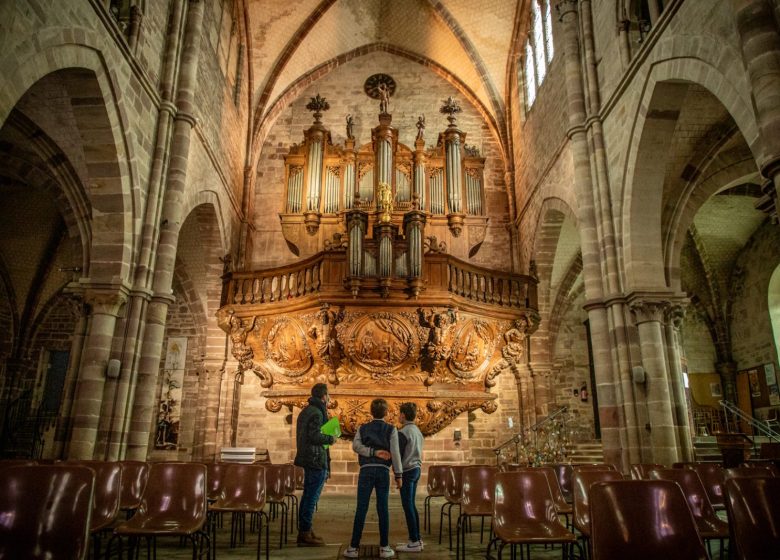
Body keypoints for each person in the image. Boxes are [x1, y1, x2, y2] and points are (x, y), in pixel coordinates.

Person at [343, 399, 403, 559]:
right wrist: (399, 475)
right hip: (383, 472)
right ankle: (384, 547)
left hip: (366, 471)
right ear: (386, 413)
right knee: (383, 508)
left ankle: (353, 547)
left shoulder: (363, 428)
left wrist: (371, 452)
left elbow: (355, 446)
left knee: (361, 508)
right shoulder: (391, 429)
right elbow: (395, 454)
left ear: (371, 412)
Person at [294, 383, 337, 546]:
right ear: (324, 396)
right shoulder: (317, 412)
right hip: (315, 459)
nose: (329, 398)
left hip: (309, 458)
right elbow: (314, 436)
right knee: (311, 498)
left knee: (308, 497)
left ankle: (306, 530)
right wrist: (330, 438)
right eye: (328, 395)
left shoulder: (307, 410)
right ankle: (305, 534)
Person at [396, 402, 425, 552]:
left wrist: (397, 474)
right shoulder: (417, 431)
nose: (398, 416)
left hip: (407, 471)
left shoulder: (403, 432)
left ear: (403, 415)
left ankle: (414, 541)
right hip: (417, 469)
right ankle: (417, 539)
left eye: (399, 413)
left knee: (408, 506)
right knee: (412, 505)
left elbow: (399, 454)